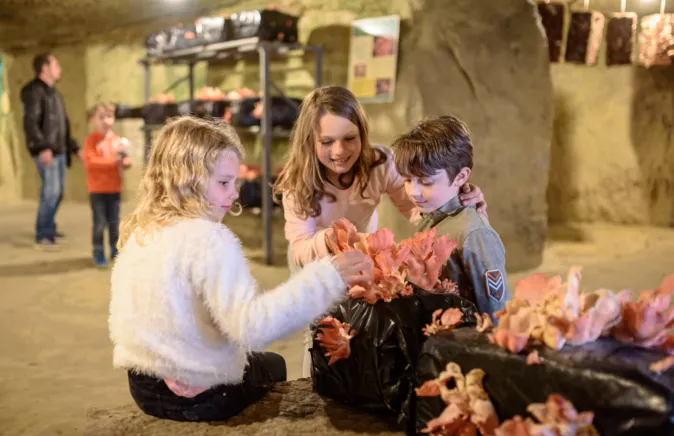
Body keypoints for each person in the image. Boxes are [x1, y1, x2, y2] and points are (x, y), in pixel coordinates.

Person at [108, 116, 374, 422]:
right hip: (197, 395)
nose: (234, 193)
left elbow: (139, 318)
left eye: (234, 182)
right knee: (273, 364)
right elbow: (252, 328)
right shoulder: (206, 239)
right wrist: (329, 277)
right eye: (224, 183)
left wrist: (174, 363)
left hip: (143, 384)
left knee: (254, 359)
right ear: (187, 180)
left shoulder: (142, 231)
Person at [271, 85, 488, 377]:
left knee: (359, 325)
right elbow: (299, 248)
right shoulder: (296, 181)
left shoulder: (381, 163)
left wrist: (457, 200)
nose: (339, 151)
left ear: (363, 133)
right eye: (327, 141)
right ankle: (316, 384)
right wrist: (332, 240)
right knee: (320, 328)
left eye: (350, 138)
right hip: (313, 258)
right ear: (310, 141)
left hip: (360, 255)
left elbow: (418, 210)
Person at [392, 115, 510, 318]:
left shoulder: (474, 234)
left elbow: (495, 312)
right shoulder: (430, 217)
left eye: (426, 182)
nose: (413, 192)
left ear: (461, 177)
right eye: (407, 180)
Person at [21, 53, 80, 251]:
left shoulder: (54, 93)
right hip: (48, 151)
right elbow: (31, 122)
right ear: (45, 68)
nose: (60, 69)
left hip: (59, 150)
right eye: (56, 65)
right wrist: (42, 147)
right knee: (51, 192)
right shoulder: (33, 92)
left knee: (58, 192)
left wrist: (74, 147)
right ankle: (43, 234)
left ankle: (49, 227)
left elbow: (62, 125)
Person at [83, 102, 132, 267]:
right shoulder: (91, 140)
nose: (106, 121)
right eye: (101, 117)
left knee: (114, 222)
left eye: (109, 117)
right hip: (97, 190)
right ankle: (98, 251)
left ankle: (114, 249)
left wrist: (125, 161)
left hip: (114, 189)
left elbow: (126, 160)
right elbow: (91, 162)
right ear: (93, 120)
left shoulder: (118, 140)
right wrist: (113, 161)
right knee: (99, 223)